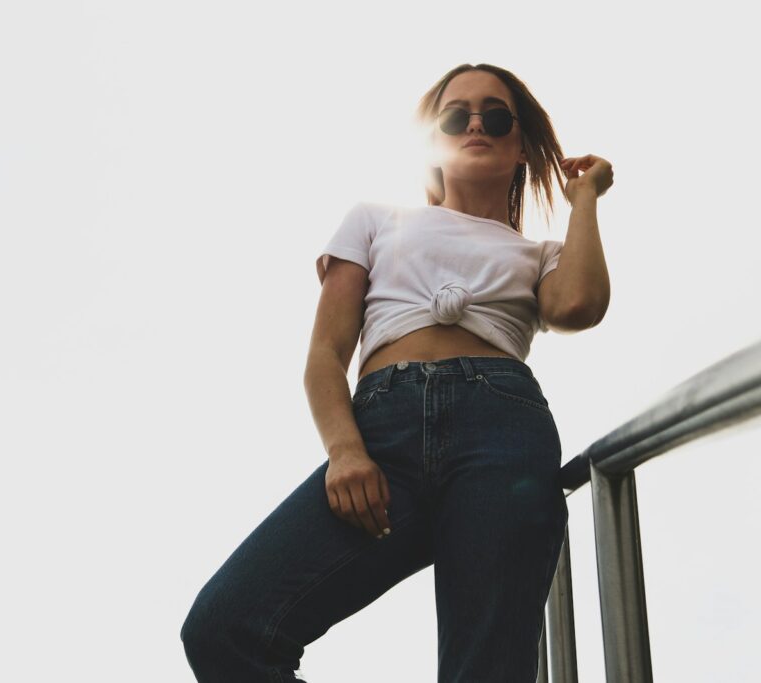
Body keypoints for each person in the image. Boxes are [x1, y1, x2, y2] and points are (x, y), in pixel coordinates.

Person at [180, 62, 613, 682]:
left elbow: (577, 307)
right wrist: (345, 451)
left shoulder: (539, 255)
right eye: (455, 115)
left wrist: (585, 200)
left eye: (495, 117)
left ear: (521, 146)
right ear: (433, 137)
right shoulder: (374, 221)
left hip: (502, 433)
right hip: (381, 435)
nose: (475, 126)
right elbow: (326, 355)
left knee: (485, 670)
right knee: (227, 627)